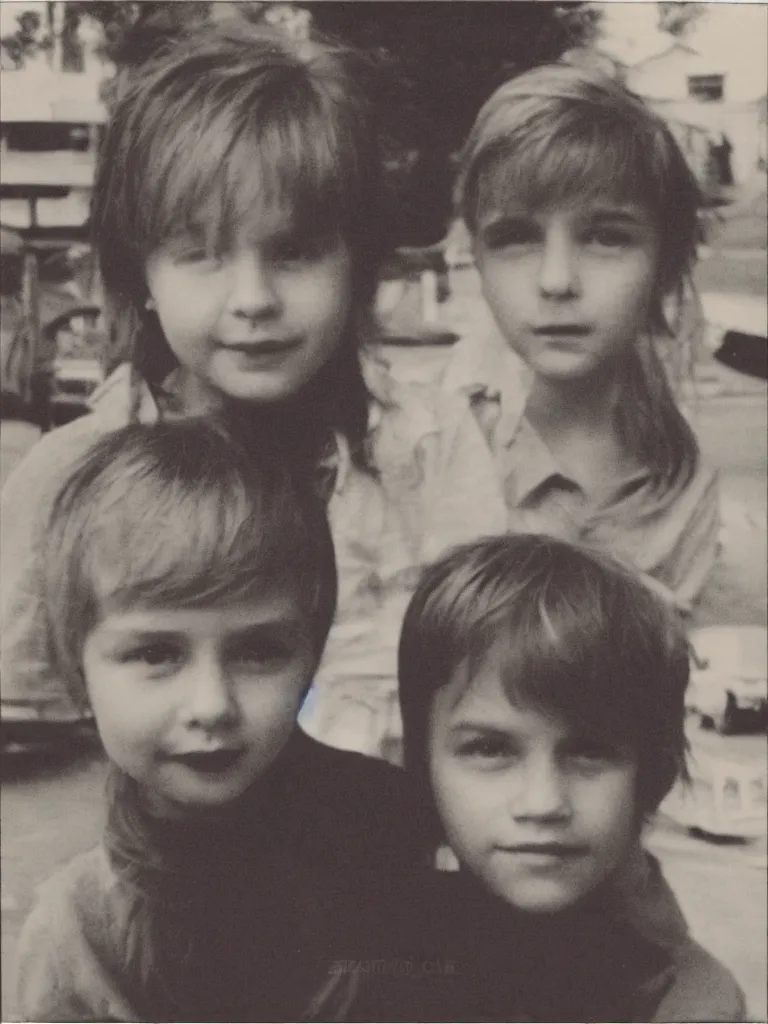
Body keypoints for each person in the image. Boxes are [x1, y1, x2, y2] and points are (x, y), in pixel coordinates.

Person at [1, 17, 487, 760]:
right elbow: (26, 737)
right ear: (143, 277)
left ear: (357, 260)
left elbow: (492, 699)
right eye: (201, 253)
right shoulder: (68, 478)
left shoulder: (430, 449)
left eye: (294, 251)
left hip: (382, 854)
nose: (253, 297)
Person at [13, 418, 428, 1023]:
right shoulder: (80, 935)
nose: (212, 705)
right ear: (77, 668)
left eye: (259, 652)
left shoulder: (398, 830)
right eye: (156, 654)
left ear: (311, 657)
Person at [397, 533, 748, 1022]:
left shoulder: (690, 1005)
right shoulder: (363, 957)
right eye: (490, 749)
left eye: (589, 752)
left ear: (651, 775)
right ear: (421, 763)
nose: (543, 802)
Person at [444, 63, 720, 617]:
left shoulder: (683, 480)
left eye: (605, 237)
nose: (556, 281)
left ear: (663, 264)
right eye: (515, 237)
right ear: (476, 256)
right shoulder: (429, 451)